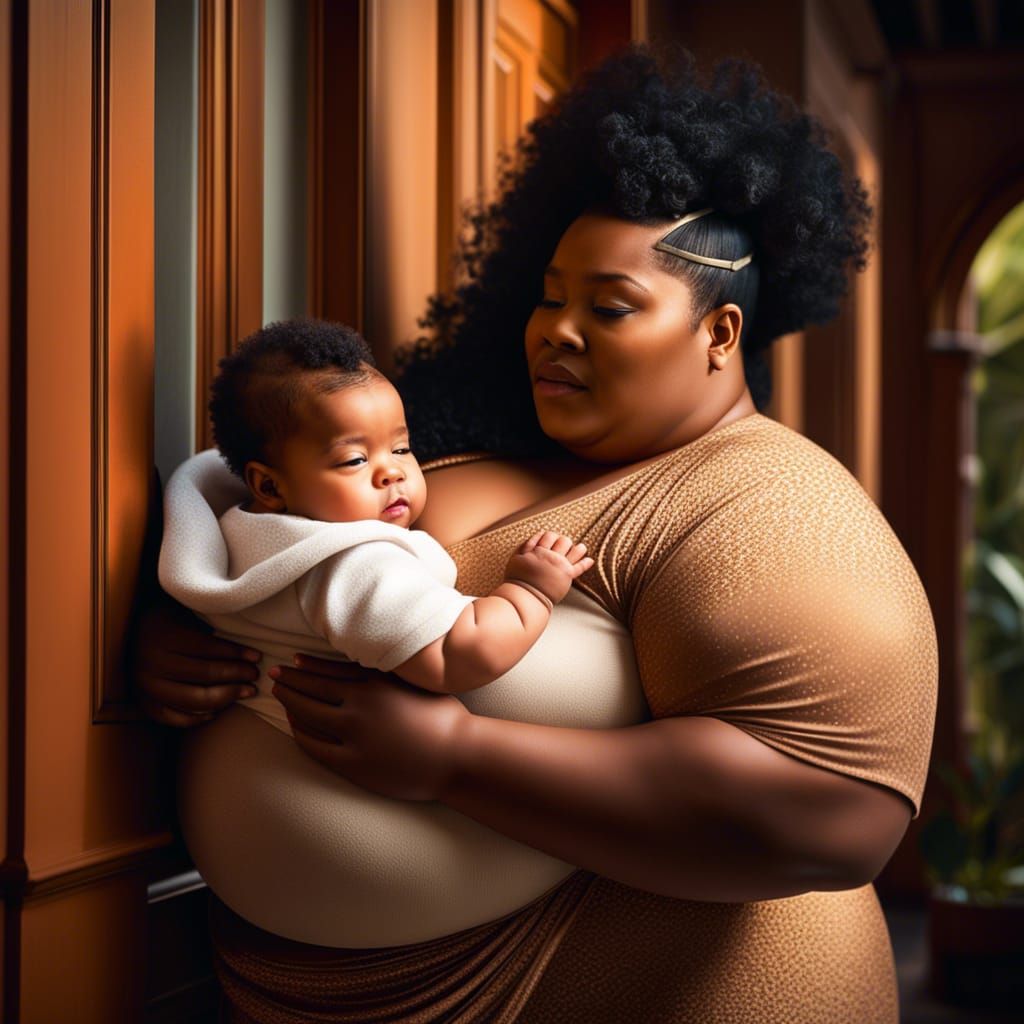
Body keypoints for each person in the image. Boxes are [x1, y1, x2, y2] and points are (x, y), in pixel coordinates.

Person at [137, 47, 937, 1022]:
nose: (555, 329)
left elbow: (833, 811)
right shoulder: (444, 446)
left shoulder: (767, 503)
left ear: (719, 334)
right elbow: (289, 562)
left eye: (607, 307)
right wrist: (185, 646)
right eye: (549, 296)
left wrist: (455, 756)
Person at [158, 318, 593, 736]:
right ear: (269, 484)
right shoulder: (354, 563)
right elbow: (459, 653)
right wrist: (530, 590)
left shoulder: (236, 533)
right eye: (355, 460)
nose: (392, 473)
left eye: (401, 448)